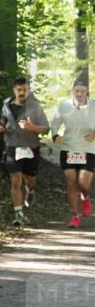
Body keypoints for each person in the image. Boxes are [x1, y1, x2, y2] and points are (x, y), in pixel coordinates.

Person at [0, 77, 50, 227]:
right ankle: (18, 214)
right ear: (14, 90)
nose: (22, 93)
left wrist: (32, 127)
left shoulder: (35, 106)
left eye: (25, 90)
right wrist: (0, 127)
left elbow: (46, 128)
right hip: (12, 147)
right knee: (15, 179)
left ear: (29, 90)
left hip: (31, 148)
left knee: (30, 178)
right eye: (19, 90)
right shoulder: (6, 104)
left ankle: (31, 190)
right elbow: (3, 120)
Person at [50, 77, 95, 228]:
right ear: (73, 91)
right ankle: (75, 215)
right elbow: (55, 124)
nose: (79, 93)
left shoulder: (94, 106)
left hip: (88, 149)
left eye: (82, 91)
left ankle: (86, 197)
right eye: (77, 90)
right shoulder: (64, 106)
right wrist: (56, 136)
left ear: (87, 91)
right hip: (69, 148)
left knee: (83, 182)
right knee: (71, 183)